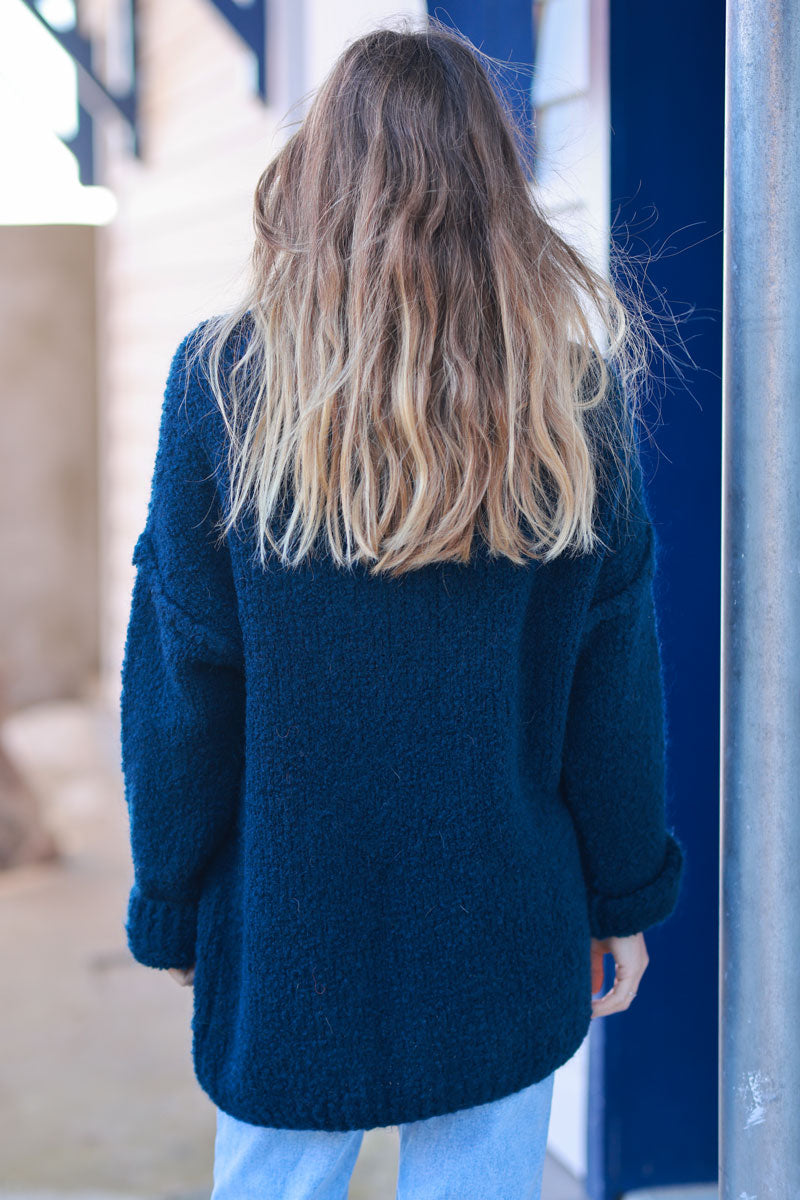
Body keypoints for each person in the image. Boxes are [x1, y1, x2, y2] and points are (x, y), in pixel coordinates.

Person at [119, 17, 686, 1200]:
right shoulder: (568, 400)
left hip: (288, 931)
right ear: (497, 185)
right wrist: (621, 894)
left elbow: (185, 678)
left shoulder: (224, 384)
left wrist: (173, 900)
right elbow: (611, 683)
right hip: (502, 924)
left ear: (317, 181)